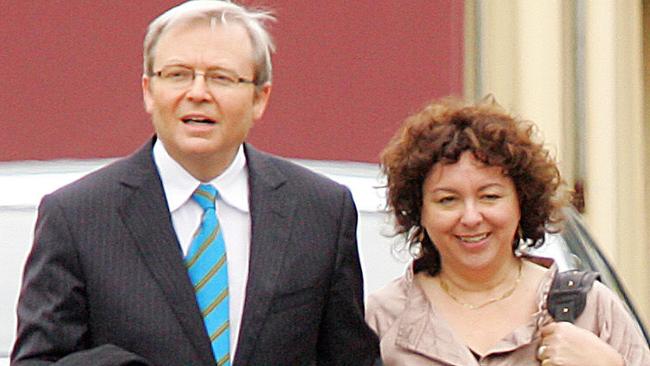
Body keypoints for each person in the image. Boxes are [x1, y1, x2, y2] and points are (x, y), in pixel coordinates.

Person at [11, 1, 379, 365]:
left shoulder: (321, 211)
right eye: (178, 74)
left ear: (259, 98)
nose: (199, 93)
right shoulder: (78, 216)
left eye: (221, 77)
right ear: (148, 91)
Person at [365, 97, 650, 365]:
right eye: (447, 200)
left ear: (521, 202)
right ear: (419, 210)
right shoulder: (382, 319)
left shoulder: (591, 309)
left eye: (489, 196)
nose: (471, 217)